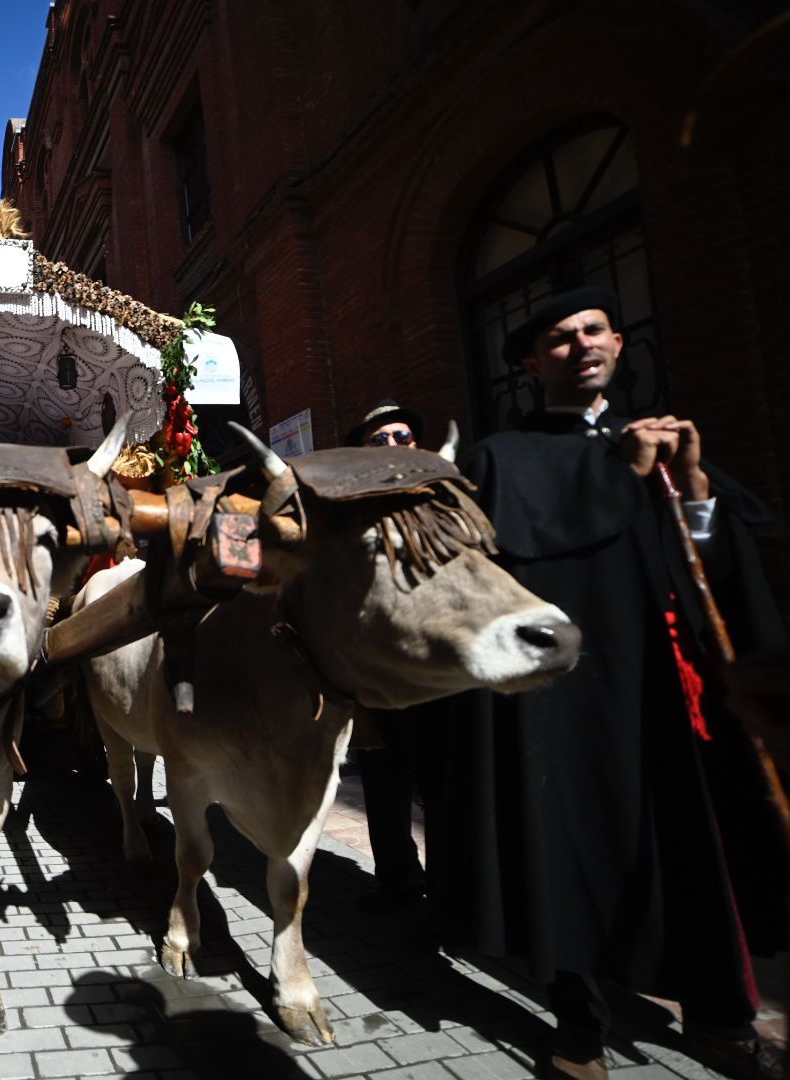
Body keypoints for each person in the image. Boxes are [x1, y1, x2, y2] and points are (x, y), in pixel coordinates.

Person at [434, 288, 787, 1080]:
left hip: (675, 699)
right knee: (567, 857)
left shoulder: (658, 441)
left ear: (620, 345)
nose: (580, 344)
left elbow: (707, 580)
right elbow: (525, 570)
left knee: (703, 853)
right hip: (571, 706)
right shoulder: (502, 457)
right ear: (531, 364)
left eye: (594, 331)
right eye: (558, 339)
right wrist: (619, 480)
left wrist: (695, 494)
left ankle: (723, 1019)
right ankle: (579, 1027)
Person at [343, 400, 443, 913]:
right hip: (380, 670)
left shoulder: (443, 498)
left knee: (444, 784)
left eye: (401, 436)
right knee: (385, 783)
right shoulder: (346, 508)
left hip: (441, 668)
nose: (393, 446)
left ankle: (454, 892)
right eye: (379, 440)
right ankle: (398, 880)